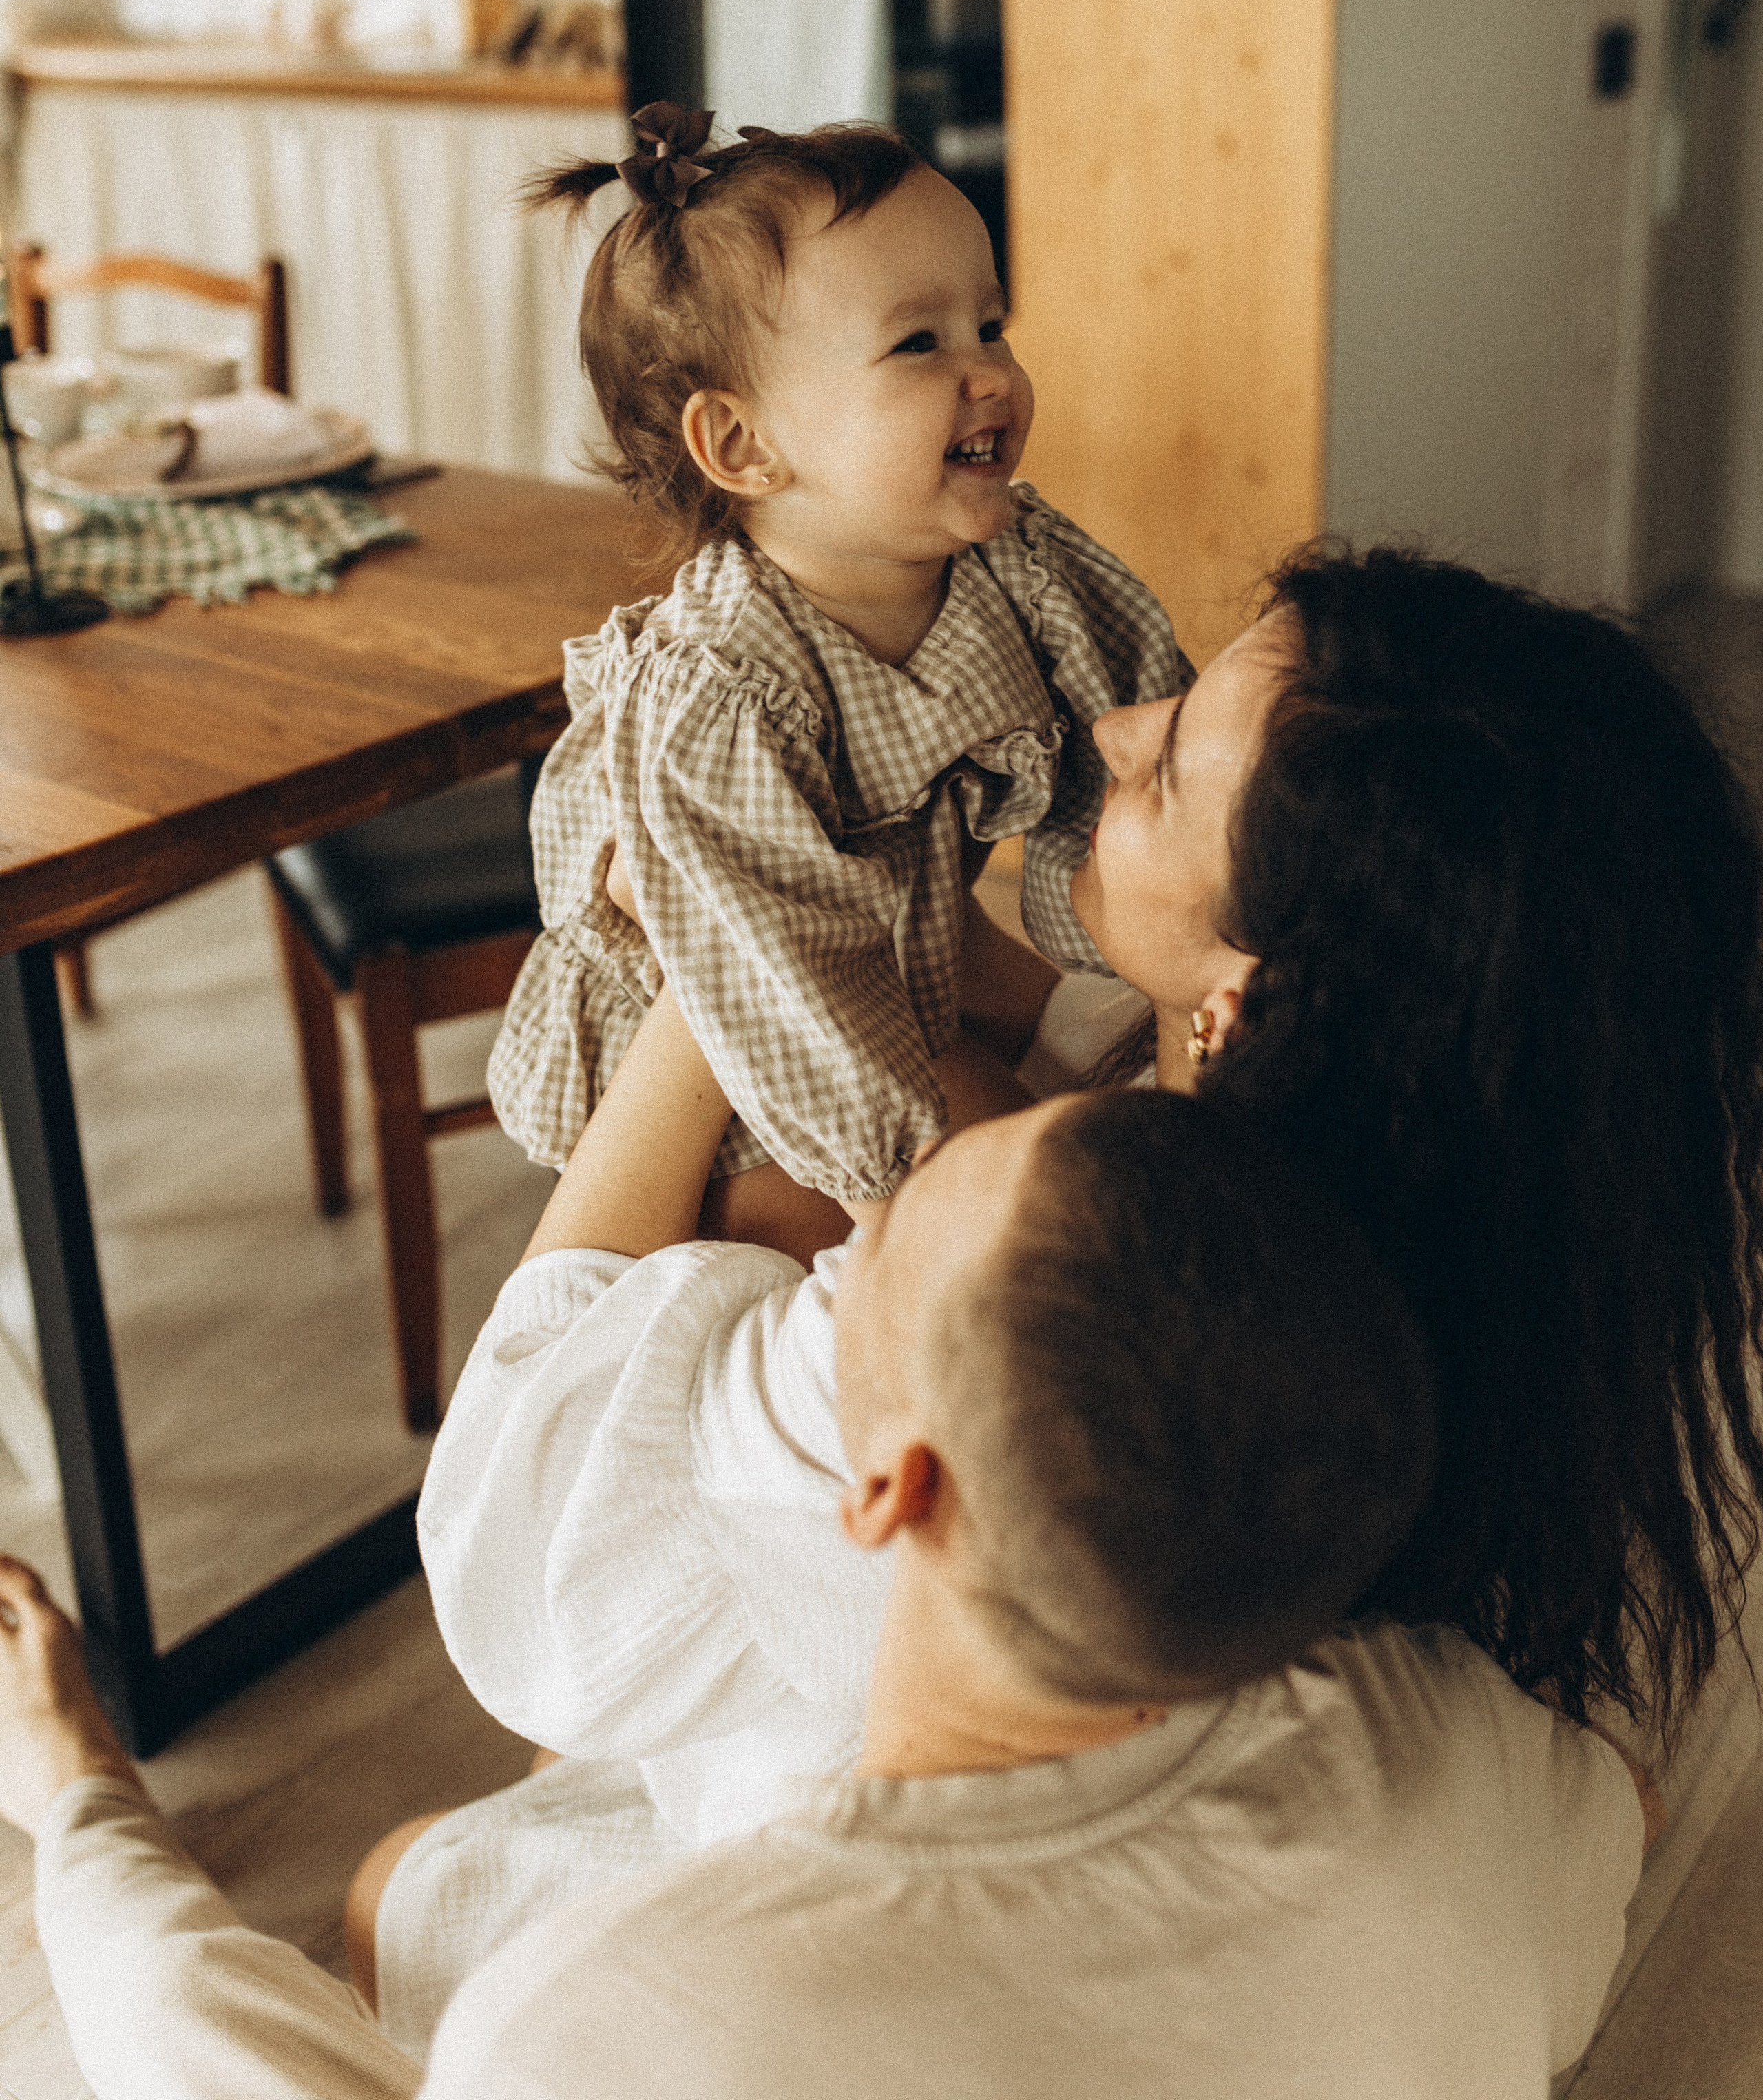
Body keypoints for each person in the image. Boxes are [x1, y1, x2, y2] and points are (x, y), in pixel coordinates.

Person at [386, 543, 1763, 2046]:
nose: (1113, 730)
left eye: (1166, 766)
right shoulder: (1475, 1229)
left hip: (916, 1930)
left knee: (408, 1877)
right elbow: (1000, 1028)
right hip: (1227, 1843)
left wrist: (702, 990)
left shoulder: (1012, 1348)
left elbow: (508, 1556)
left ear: (1237, 996)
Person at [0, 1081, 1655, 2100]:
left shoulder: (626, 2011)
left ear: (886, 1489)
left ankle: (62, 1778)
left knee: (254, 1966)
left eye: (873, 1245)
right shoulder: (1456, 1735)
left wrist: (81, 1797)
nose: (846, 1223)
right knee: (424, 1874)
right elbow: (1621, 1806)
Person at [486, 101, 1185, 1238]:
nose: (990, 375)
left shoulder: (1018, 559)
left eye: (991, 325)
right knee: (1031, 1222)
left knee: (1102, 1149)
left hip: (889, 976)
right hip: (741, 1063)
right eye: (920, 344)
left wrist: (1153, 956)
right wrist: (896, 1203)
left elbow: (1147, 730)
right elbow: (781, 999)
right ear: (746, 447)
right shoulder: (723, 694)